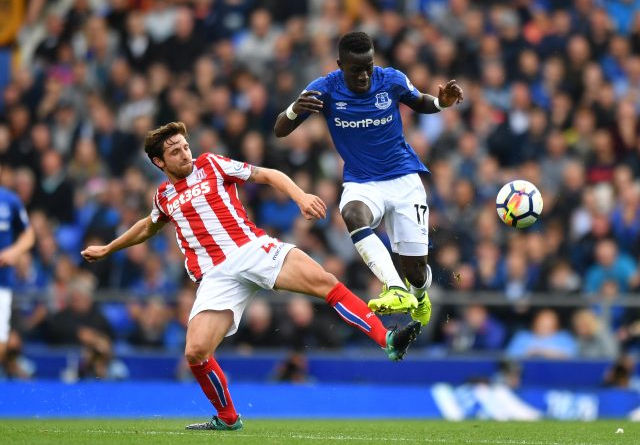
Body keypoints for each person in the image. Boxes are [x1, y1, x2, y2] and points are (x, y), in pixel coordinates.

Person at [81, 121, 421, 431]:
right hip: (216, 276)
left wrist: (300, 197)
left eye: (185, 146)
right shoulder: (163, 196)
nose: (185, 153)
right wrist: (109, 248)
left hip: (250, 249)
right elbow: (147, 226)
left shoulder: (211, 164)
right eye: (175, 151)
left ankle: (387, 340)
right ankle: (228, 418)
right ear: (159, 162)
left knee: (325, 283)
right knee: (195, 352)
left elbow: (267, 175)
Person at [274, 31, 464, 327]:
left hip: (404, 180)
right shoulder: (324, 89)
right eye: (355, 70)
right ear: (340, 64)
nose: (364, 76)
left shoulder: (391, 80)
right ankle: (394, 288)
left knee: (416, 270)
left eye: (368, 67)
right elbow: (280, 130)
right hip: (362, 182)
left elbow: (421, 102)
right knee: (351, 213)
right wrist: (293, 109)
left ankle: (418, 295)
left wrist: (441, 103)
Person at [0, 168, 35, 372]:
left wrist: (15, 251)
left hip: (1, 282)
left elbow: (28, 234)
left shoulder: (9, 201)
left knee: (1, 339)